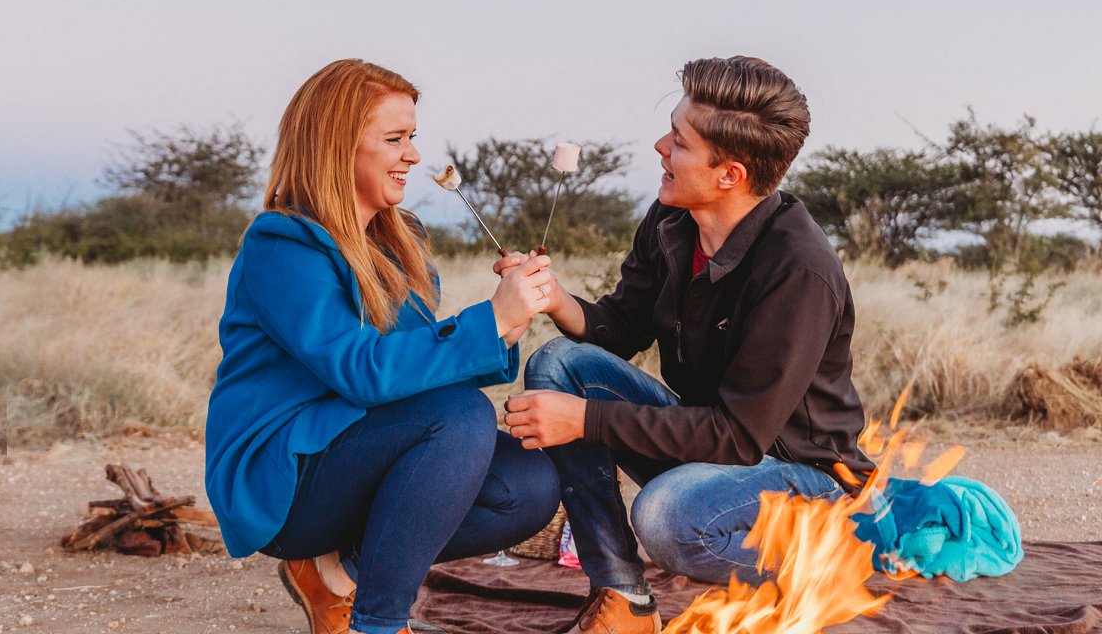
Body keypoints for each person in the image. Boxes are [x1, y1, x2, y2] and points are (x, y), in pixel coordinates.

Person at [498, 56, 876, 634]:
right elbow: (619, 329)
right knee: (558, 362)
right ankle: (624, 596)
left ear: (730, 173)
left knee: (669, 515)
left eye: (678, 141)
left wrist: (588, 421)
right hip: (711, 445)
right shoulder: (670, 222)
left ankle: (829, 563)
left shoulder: (799, 270)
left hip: (806, 475)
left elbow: (740, 436)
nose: (659, 147)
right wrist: (554, 299)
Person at [205, 58, 562, 634]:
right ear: (335, 147)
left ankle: (336, 576)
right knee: (458, 415)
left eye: (412, 137)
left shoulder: (401, 239)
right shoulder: (282, 243)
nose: (414, 156)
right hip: (285, 474)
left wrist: (505, 328)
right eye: (394, 139)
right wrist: (485, 321)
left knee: (529, 485)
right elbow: (361, 372)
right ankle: (380, 623)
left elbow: (409, 370)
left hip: (353, 444)